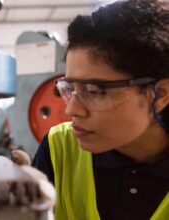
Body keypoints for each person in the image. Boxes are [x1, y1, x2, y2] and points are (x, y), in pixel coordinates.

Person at [32, 0, 169, 219]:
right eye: (70, 88)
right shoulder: (60, 149)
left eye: (95, 91)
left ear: (159, 94)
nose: (72, 110)